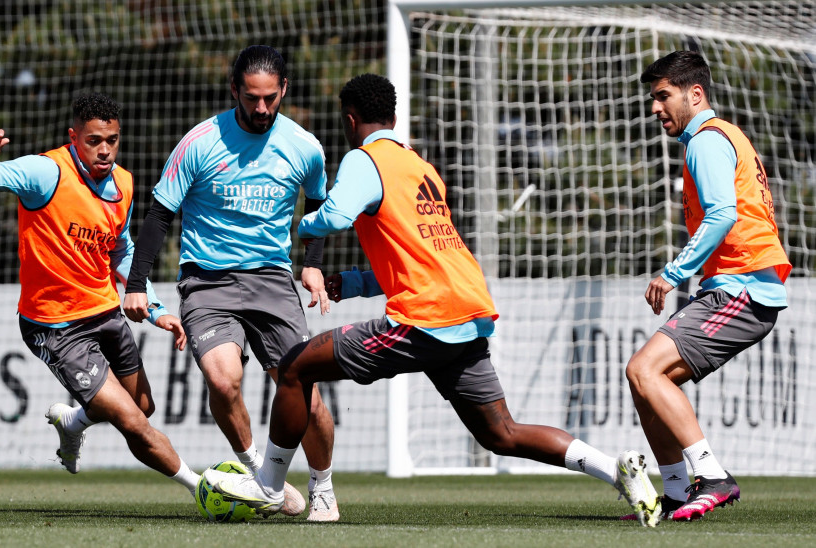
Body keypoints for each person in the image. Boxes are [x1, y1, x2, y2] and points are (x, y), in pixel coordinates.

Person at [207, 73, 662, 527]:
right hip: (465, 308)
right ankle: (615, 470)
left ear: (350, 120)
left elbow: (335, 216)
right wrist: (352, 281)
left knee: (293, 368)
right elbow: (417, 257)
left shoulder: (365, 160)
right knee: (501, 433)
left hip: (424, 319)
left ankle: (268, 485)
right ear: (394, 116)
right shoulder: (420, 166)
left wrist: (300, 229)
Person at [123, 45, 338, 522]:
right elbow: (160, 213)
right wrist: (136, 282)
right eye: (251, 98)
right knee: (223, 381)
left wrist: (313, 262)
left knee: (304, 390)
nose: (261, 109)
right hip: (207, 281)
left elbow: (320, 208)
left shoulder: (304, 146)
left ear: (284, 90)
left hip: (272, 281)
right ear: (234, 90)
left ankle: (322, 484)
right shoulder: (200, 141)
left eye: (270, 98)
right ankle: (260, 474)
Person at [0, 92, 201, 498]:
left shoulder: (124, 182)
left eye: (113, 140)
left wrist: (154, 308)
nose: (105, 150)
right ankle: (202, 488)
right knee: (133, 423)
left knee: (143, 408)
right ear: (74, 137)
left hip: (105, 312)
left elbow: (120, 248)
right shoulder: (44, 172)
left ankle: (74, 422)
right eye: (93, 141)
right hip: (55, 326)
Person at [624, 50, 791, 522]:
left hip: (744, 290)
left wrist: (671, 273)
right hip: (736, 287)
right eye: (652, 98)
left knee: (643, 370)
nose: (655, 108)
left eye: (663, 96)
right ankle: (676, 492)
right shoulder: (720, 136)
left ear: (695, 94)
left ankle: (711, 476)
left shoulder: (706, 140)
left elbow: (723, 214)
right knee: (646, 383)